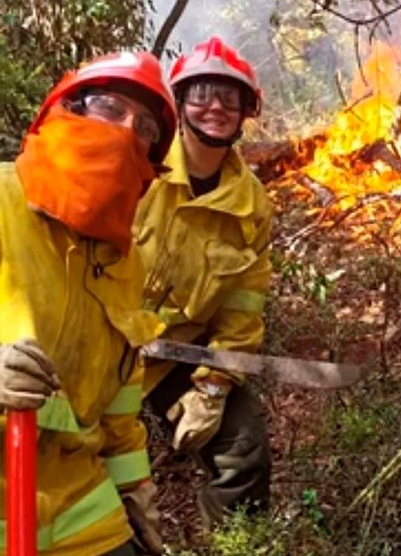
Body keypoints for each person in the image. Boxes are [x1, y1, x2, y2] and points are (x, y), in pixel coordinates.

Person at [1, 51, 177, 555]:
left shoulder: (125, 261)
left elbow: (120, 401)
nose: (125, 132)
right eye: (109, 107)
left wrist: (135, 487)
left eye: (145, 127)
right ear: (63, 110)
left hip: (83, 508)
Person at [133, 37, 273, 527]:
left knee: (244, 454)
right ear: (179, 102)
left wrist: (214, 386)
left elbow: (242, 306)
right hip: (102, 347)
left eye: (229, 97)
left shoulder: (251, 203)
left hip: (176, 355)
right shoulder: (138, 165)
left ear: (247, 111)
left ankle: (233, 543)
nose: (215, 106)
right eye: (201, 93)